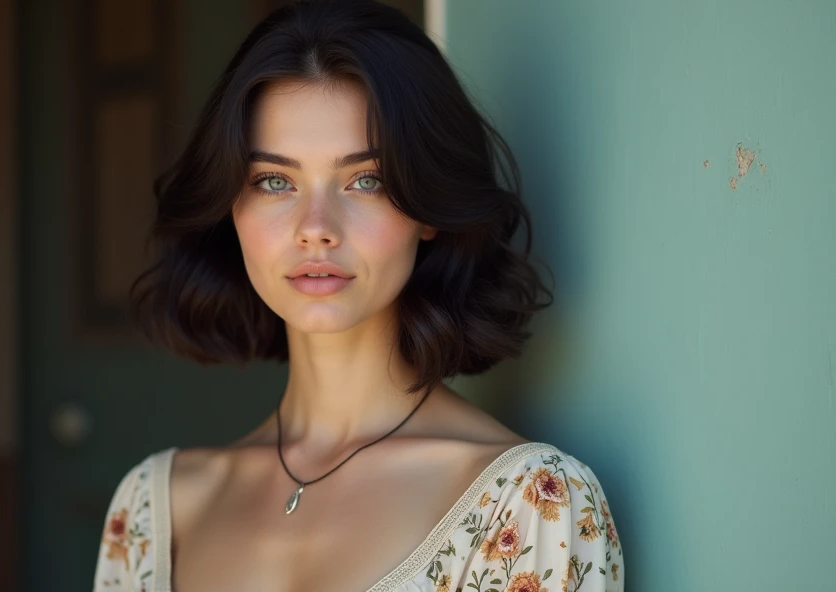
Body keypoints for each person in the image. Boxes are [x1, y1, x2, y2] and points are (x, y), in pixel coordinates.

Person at [93, 1, 624, 590]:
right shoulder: (150, 512)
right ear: (230, 207)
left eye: (365, 179)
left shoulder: (529, 504)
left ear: (427, 208)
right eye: (275, 181)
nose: (316, 226)